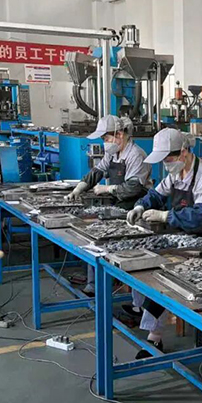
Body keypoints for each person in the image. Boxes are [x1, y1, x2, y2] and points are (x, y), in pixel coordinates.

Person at [125, 128, 202, 359]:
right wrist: (140, 205)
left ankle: (158, 336)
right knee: (152, 272)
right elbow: (157, 194)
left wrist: (164, 216)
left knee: (172, 279)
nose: (166, 164)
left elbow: (200, 216)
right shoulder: (176, 174)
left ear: (184, 152)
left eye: (168, 159)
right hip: (180, 233)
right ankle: (151, 331)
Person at [65, 115, 152, 295]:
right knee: (97, 240)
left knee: (129, 252)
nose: (104, 143)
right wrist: (79, 189)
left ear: (119, 134)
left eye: (106, 138)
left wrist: (107, 188)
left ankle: (132, 298)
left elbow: (133, 188)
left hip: (134, 208)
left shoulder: (136, 155)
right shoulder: (113, 152)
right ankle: (95, 285)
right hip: (117, 205)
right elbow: (97, 171)